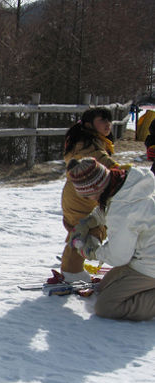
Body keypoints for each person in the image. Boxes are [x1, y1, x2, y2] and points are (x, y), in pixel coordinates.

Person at [66, 157, 155, 321]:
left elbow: (118, 256)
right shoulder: (126, 184)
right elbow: (108, 206)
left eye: (89, 196)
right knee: (103, 287)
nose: (91, 200)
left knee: (106, 306)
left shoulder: (124, 212)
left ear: (96, 188)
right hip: (144, 257)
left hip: (149, 266)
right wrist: (88, 221)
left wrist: (91, 252)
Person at [60, 107, 119, 282]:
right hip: (81, 197)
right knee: (87, 230)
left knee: (83, 229)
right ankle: (72, 270)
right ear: (88, 124)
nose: (108, 124)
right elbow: (102, 161)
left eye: (109, 121)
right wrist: (125, 171)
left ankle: (72, 267)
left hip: (83, 195)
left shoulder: (92, 140)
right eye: (102, 120)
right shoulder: (87, 145)